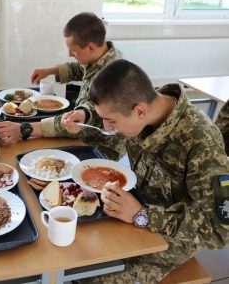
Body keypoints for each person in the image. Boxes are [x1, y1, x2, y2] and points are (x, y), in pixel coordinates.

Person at [62, 59, 229, 283]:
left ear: (139, 111)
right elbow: (109, 110)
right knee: (73, 251)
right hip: (132, 209)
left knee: (90, 277)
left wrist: (142, 215)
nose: (107, 128)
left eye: (110, 122)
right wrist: (85, 117)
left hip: (170, 236)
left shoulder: (201, 142)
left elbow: (219, 231)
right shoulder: (143, 107)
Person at [0, 12, 124, 159]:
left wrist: (24, 129)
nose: (70, 55)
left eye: (73, 51)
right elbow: (81, 69)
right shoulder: (102, 53)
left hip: (100, 148)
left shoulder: (114, 74)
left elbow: (87, 115)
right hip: (81, 133)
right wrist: (49, 71)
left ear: (90, 48)